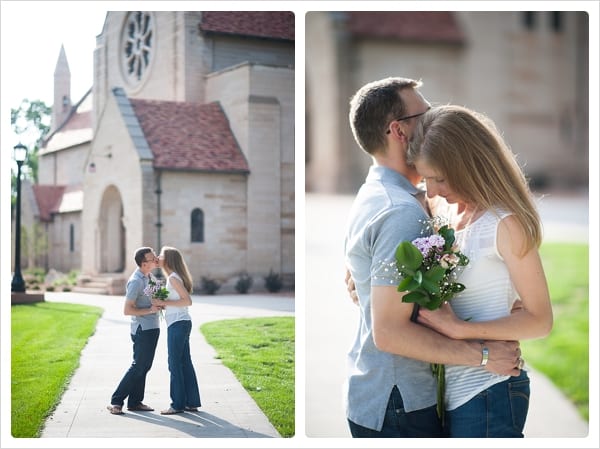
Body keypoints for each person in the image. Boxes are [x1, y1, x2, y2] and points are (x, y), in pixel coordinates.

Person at [343, 77, 523, 437]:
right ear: (399, 131)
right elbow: (390, 333)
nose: (432, 119)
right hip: (400, 401)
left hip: (382, 392)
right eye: (424, 114)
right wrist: (485, 356)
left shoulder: (378, 193)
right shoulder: (401, 211)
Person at [405, 104, 553, 437]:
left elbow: (541, 319)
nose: (431, 190)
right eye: (425, 178)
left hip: (489, 392)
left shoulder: (504, 223)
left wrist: (459, 330)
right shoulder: (445, 215)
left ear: (468, 165)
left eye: (439, 178)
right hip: (450, 393)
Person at [107, 247, 163, 415]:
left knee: (145, 366)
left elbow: (157, 299)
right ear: (144, 263)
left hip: (153, 327)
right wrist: (151, 310)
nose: (156, 260)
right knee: (138, 366)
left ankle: (136, 402)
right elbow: (127, 310)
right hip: (142, 329)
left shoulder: (150, 276)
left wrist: (162, 302)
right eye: (152, 258)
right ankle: (116, 401)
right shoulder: (136, 281)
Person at [152, 245, 202, 415]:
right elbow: (178, 303)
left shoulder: (173, 278)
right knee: (184, 363)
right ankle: (191, 402)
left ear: (169, 259)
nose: (157, 256)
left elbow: (187, 301)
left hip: (178, 325)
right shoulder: (173, 277)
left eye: (161, 254)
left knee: (174, 364)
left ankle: (177, 404)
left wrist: (165, 304)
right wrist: (163, 304)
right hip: (181, 323)